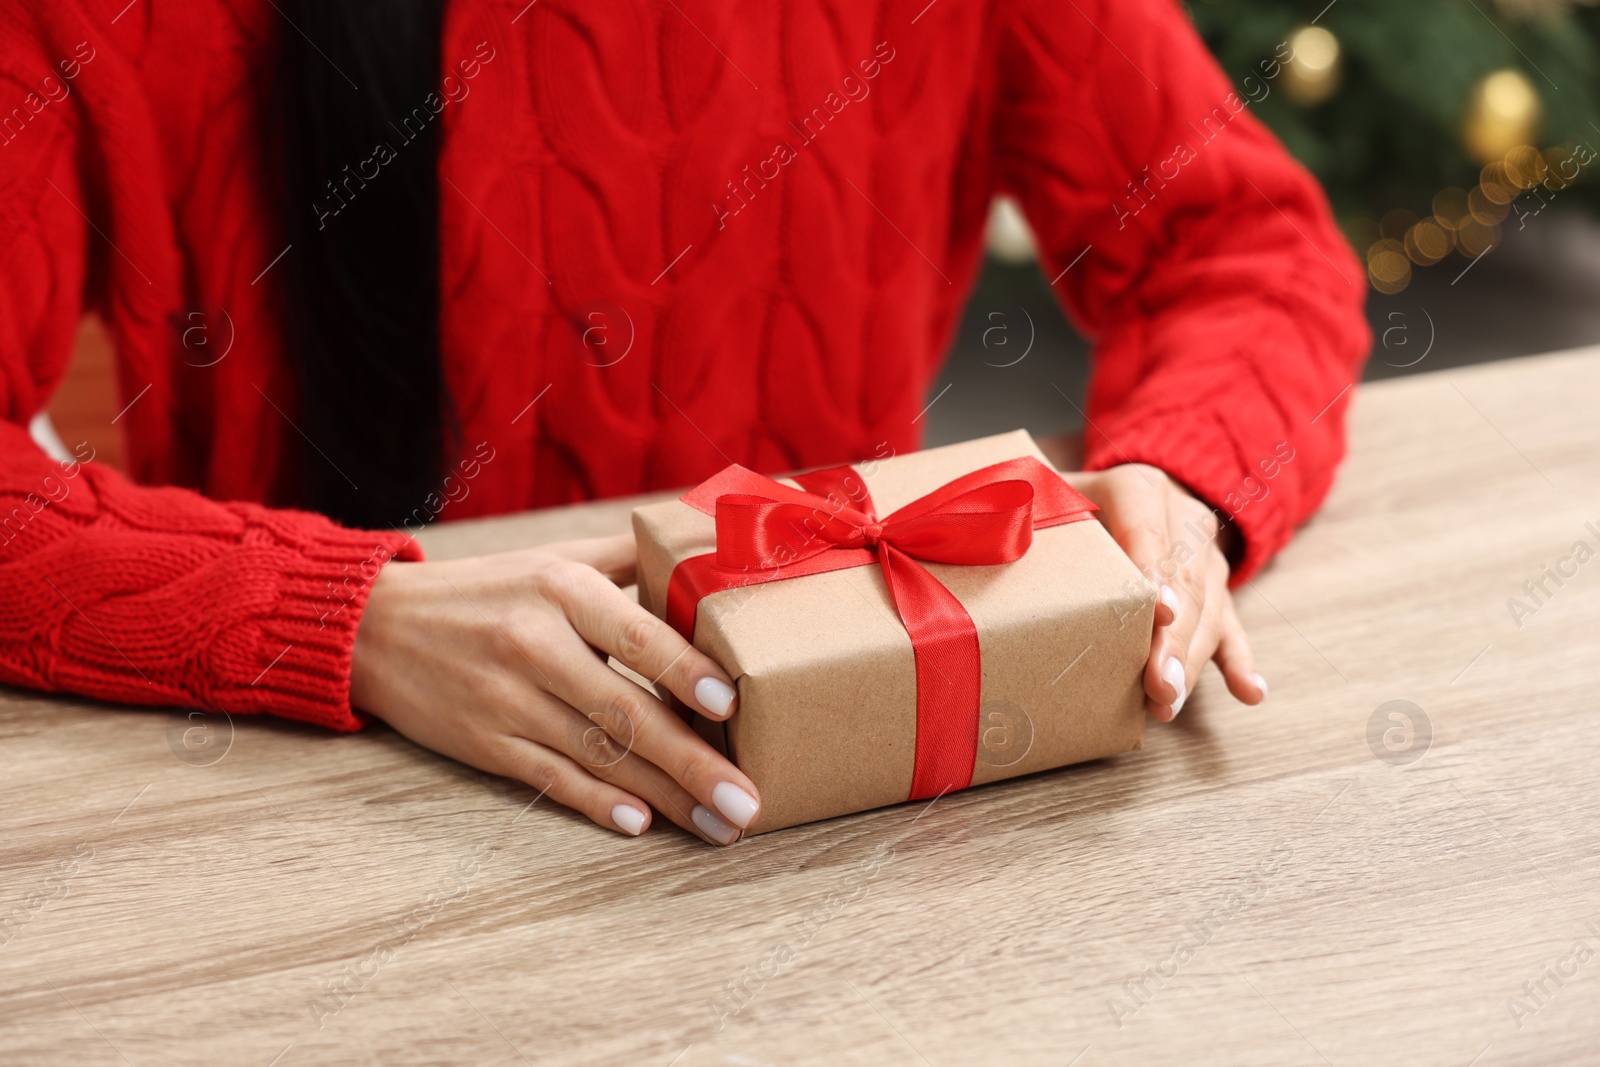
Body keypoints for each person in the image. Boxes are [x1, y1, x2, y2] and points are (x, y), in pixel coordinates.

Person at [0, 0, 1368, 845]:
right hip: (314, 815)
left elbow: (1246, 246)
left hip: (851, 800)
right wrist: (349, 620)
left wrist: (1181, 479)